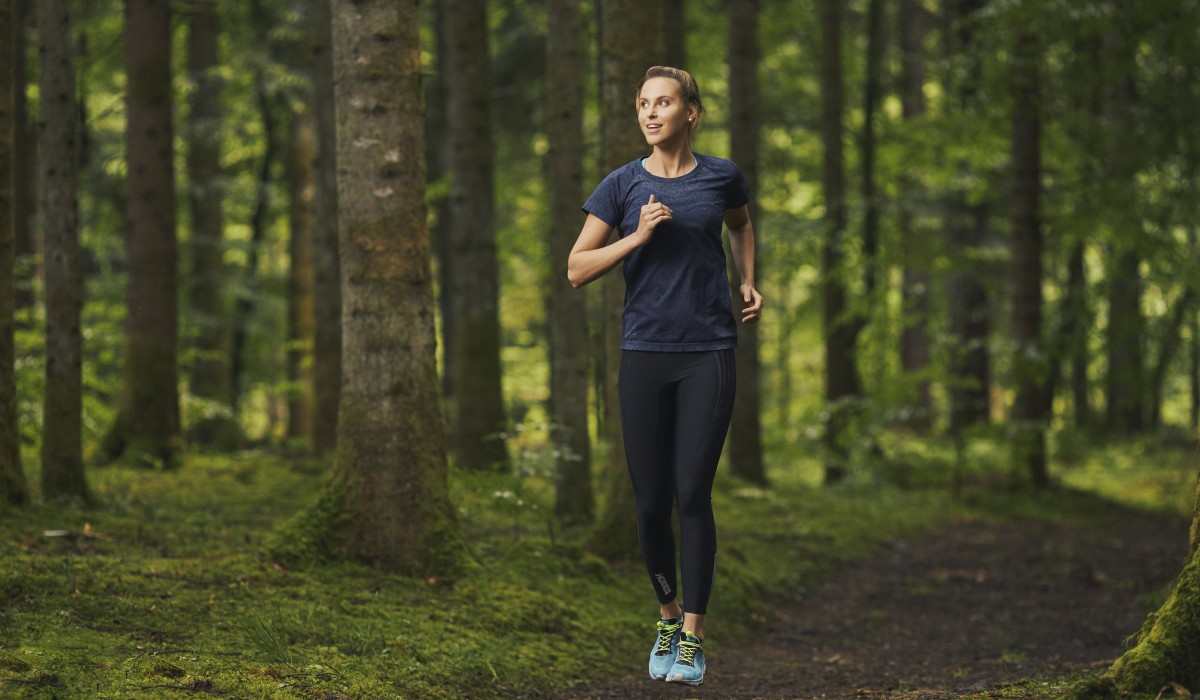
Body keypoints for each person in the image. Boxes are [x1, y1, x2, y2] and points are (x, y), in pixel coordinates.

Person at [567, 65, 763, 687]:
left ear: (691, 113)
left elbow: (741, 223)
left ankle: (694, 640)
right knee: (650, 505)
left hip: (708, 351)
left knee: (690, 494)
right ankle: (667, 616)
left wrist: (748, 278)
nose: (651, 113)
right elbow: (575, 268)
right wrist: (637, 236)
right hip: (644, 354)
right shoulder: (622, 186)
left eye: (664, 103)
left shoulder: (721, 176)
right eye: (643, 104)